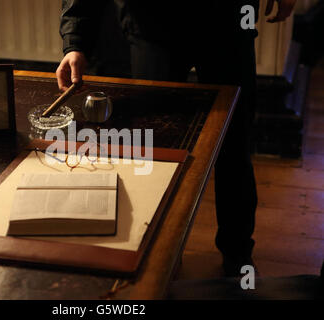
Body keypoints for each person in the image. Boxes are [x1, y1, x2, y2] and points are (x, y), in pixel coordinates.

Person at [55, 0, 297, 276]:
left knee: (235, 145)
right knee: (157, 153)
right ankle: (159, 255)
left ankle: (238, 254)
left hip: (231, 18)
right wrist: (75, 41)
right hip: (153, 24)